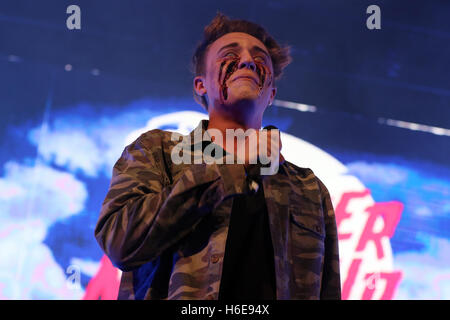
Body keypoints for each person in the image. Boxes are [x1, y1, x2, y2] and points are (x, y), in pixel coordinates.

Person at [95, 12, 341, 300]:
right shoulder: (158, 152)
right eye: (231, 54)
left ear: (271, 93)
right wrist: (230, 167)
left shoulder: (308, 189)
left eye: (260, 59)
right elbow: (119, 242)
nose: (248, 61)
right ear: (201, 85)